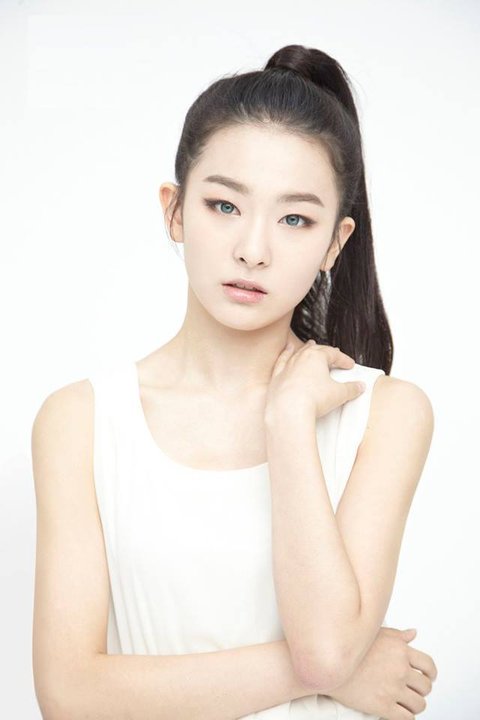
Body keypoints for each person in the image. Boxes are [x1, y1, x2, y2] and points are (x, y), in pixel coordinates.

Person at [32, 44, 438, 719]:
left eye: (295, 219)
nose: (253, 249)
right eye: (224, 206)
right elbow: (69, 697)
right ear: (174, 210)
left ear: (335, 243)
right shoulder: (80, 420)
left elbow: (327, 650)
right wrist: (339, 668)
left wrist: (289, 424)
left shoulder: (387, 413)